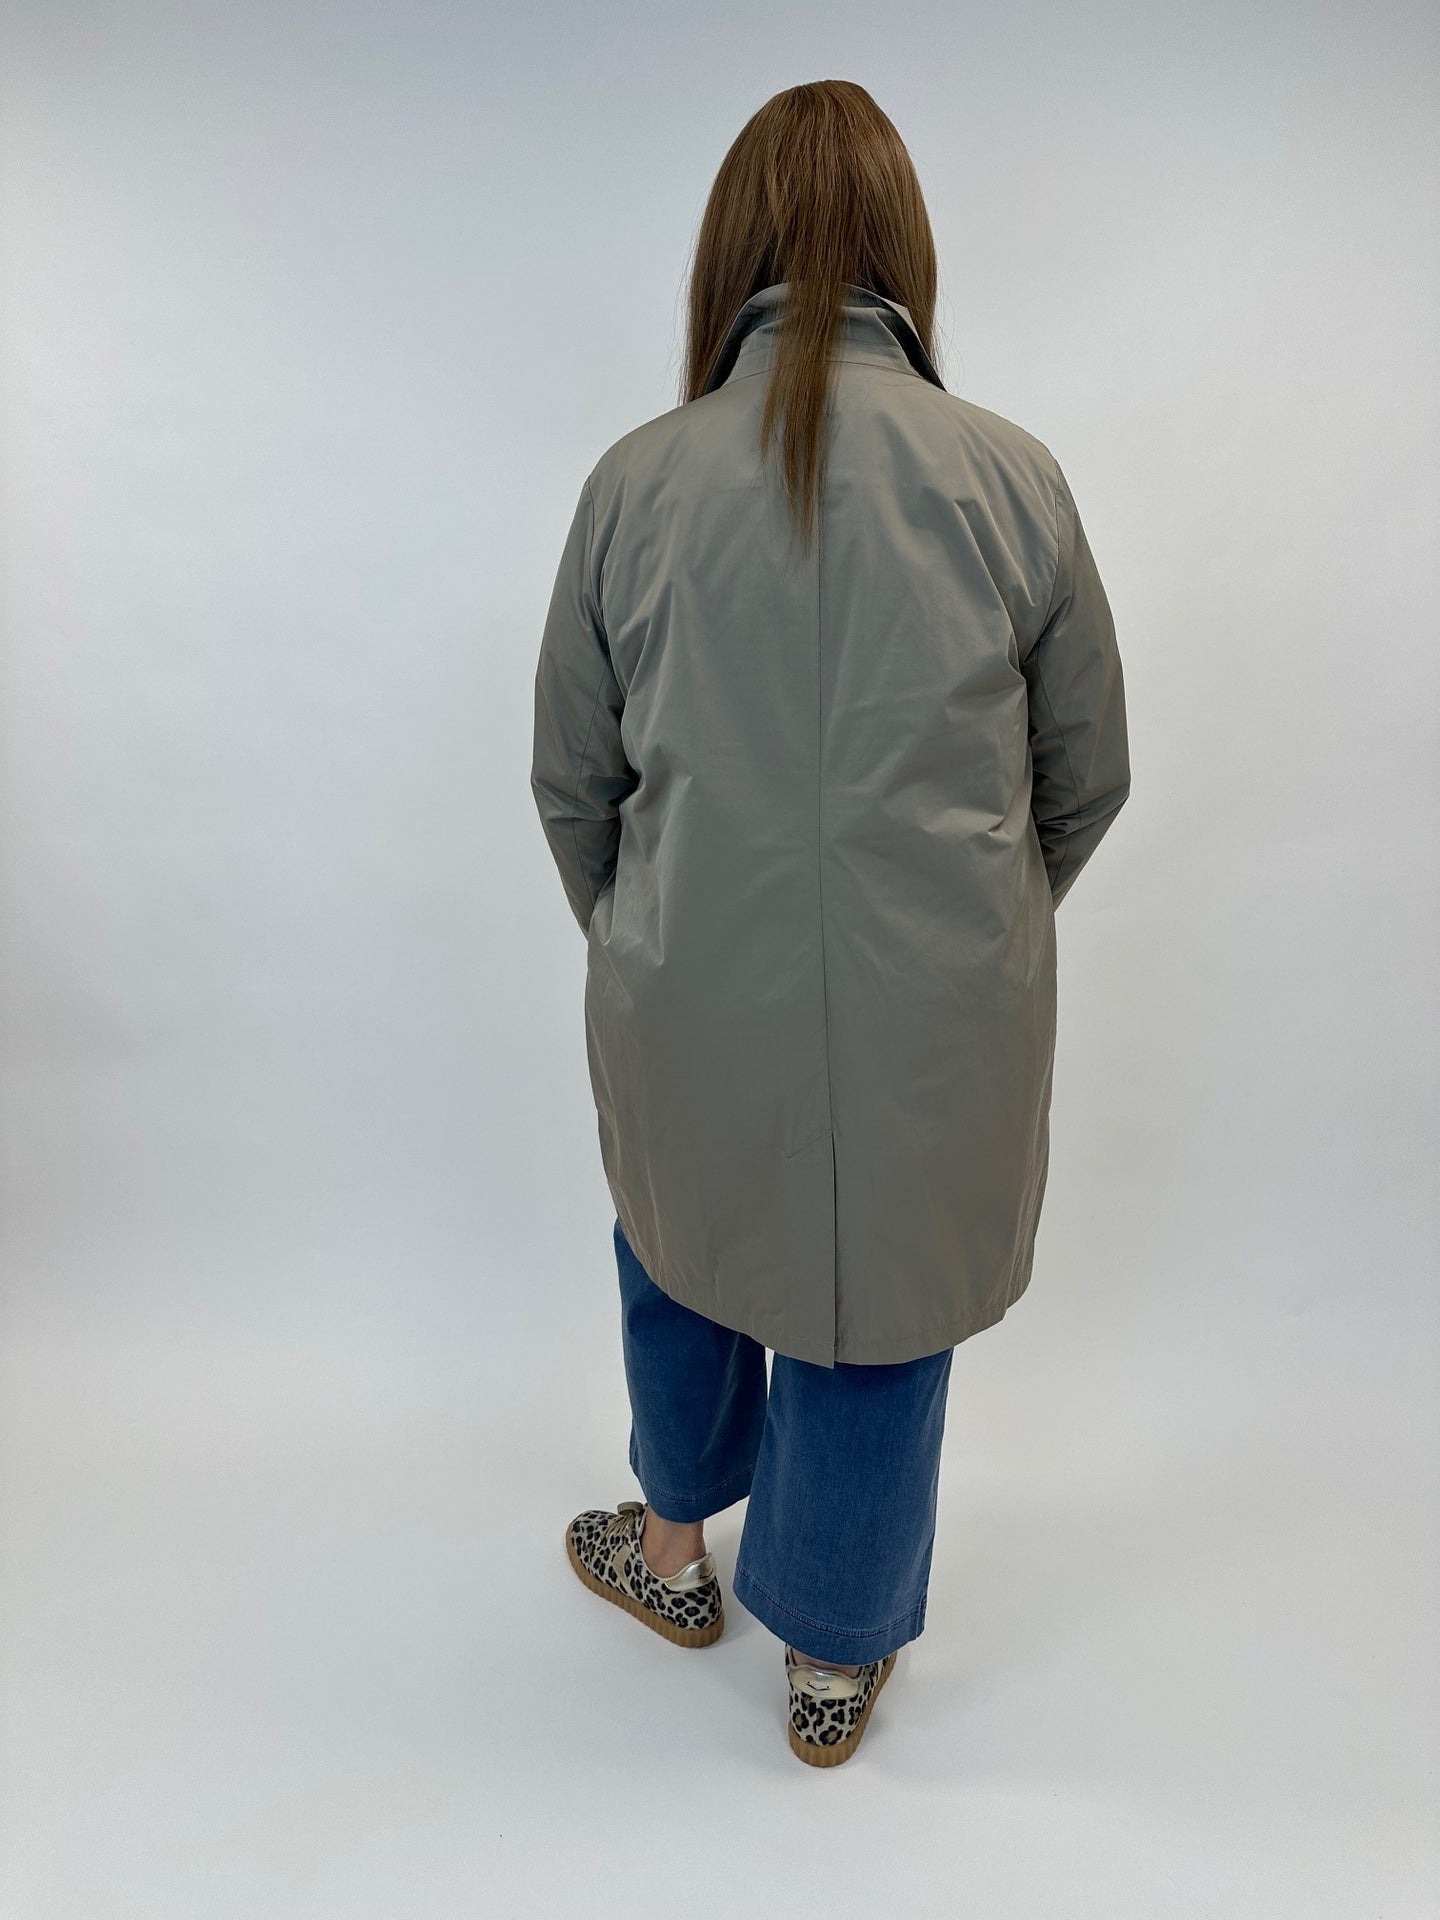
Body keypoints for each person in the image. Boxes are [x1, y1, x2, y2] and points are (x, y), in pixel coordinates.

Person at [530, 79, 1131, 1767]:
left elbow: (573, 784)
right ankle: (831, 1659)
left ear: (731, 248)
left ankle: (669, 1556)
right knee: (883, 1307)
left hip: (684, 987)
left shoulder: (633, 484)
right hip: (935, 1011)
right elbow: (1087, 774)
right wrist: (965, 937)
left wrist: (654, 941)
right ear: (903, 250)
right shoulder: (1011, 479)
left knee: (684, 1243)